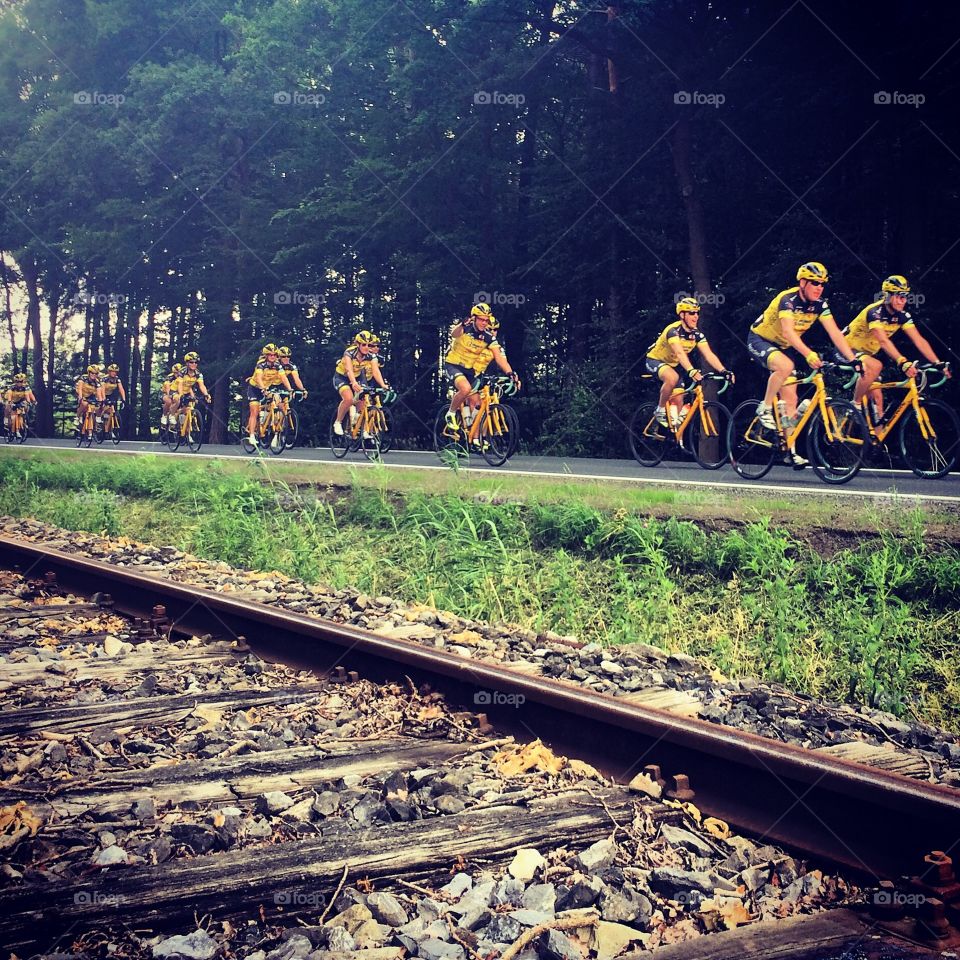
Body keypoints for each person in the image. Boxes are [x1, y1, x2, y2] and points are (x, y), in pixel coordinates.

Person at [747, 261, 860, 465]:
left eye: (822, 284)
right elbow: (789, 332)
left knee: (791, 398)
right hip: (760, 339)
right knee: (785, 366)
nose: (819, 287)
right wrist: (808, 354)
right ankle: (764, 407)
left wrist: (854, 360)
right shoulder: (787, 300)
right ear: (802, 283)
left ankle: (789, 450)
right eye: (815, 283)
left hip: (783, 346)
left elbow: (835, 333)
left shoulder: (820, 305)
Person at [842, 275, 950, 421]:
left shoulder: (902, 316)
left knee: (878, 403)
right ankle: (855, 405)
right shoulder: (875, 312)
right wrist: (903, 362)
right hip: (847, 349)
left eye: (905, 296)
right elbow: (883, 341)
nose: (903, 301)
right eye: (899, 296)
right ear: (887, 296)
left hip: (865, 354)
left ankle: (876, 441)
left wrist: (937, 362)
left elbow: (918, 340)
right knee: (876, 365)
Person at [645, 298, 733, 427]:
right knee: (672, 377)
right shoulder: (673, 331)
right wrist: (691, 370)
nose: (696, 316)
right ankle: (660, 410)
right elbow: (680, 353)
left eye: (697, 313)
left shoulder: (697, 335)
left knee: (679, 400)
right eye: (692, 313)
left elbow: (709, 354)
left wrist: (724, 371)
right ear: (682, 315)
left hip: (673, 365)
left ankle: (674, 435)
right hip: (654, 360)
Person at [443, 303, 520, 434]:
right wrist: (462, 324)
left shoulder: (488, 338)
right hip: (453, 365)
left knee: (477, 403)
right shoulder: (465, 329)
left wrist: (510, 373)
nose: (484, 323)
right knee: (465, 388)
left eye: (486, 320)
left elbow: (500, 358)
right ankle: (450, 413)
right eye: (481, 319)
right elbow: (454, 334)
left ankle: (471, 432)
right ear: (474, 318)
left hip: (469, 370)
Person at [332, 331, 377, 436]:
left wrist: (384, 385)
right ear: (358, 344)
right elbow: (349, 370)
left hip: (357, 377)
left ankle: (357, 422)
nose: (367, 347)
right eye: (364, 345)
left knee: (363, 400)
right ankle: (338, 422)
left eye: (369, 345)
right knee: (348, 398)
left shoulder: (371, 356)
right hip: (342, 377)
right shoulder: (349, 353)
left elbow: (376, 371)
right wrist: (353, 383)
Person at [246, 343, 291, 445]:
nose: (273, 357)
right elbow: (258, 377)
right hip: (255, 388)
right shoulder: (261, 364)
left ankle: (267, 424)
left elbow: (284, 378)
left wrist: (290, 389)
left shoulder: (277, 366)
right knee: (254, 411)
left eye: (275, 355)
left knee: (276, 403)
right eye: (270, 355)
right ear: (266, 355)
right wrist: (263, 388)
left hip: (267, 388)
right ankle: (252, 435)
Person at [170, 351, 212, 428]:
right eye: (191, 362)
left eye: (196, 362)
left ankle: (184, 428)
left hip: (187, 391)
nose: (194, 364)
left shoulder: (198, 374)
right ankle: (172, 416)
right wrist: (180, 394)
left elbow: (201, 385)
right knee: (177, 399)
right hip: (175, 390)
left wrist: (206, 394)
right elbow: (180, 384)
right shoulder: (182, 372)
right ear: (187, 363)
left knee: (189, 408)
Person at [75, 365, 103, 433]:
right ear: (89, 373)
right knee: (84, 404)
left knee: (97, 406)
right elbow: (80, 388)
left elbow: (99, 393)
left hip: (90, 395)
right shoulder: (83, 378)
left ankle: (96, 422)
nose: (94, 375)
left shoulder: (97, 382)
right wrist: (80, 397)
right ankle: (77, 417)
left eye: (96, 374)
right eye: (92, 373)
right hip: (81, 392)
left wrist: (100, 401)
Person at [99, 364, 126, 428]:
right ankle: (99, 419)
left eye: (115, 372)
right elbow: (102, 389)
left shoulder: (117, 379)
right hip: (101, 394)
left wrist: (123, 399)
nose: (114, 373)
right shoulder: (104, 379)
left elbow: (121, 389)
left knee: (112, 409)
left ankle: (111, 427)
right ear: (109, 372)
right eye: (112, 371)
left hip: (110, 394)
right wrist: (103, 399)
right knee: (103, 407)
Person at [160, 363, 183, 430]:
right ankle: (164, 416)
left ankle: (181, 423)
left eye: (178, 372)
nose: (177, 374)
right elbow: (167, 387)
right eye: (176, 373)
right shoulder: (170, 377)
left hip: (175, 392)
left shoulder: (182, 378)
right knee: (169, 401)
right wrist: (169, 395)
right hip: (165, 392)